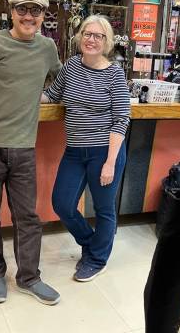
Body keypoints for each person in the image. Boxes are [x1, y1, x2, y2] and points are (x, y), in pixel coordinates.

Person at [0, 0, 63, 305]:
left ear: (43, 16)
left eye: (35, 11)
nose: (28, 16)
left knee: (27, 217)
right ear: (11, 12)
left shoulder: (47, 47)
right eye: (22, 9)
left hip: (24, 147)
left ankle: (29, 277)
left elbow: (61, 79)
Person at [42, 15, 131, 282]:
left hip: (105, 151)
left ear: (107, 42)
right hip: (74, 150)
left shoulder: (114, 73)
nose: (91, 40)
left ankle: (97, 259)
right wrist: (23, 95)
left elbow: (121, 119)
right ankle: (90, 242)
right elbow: (52, 94)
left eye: (98, 36)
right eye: (87, 34)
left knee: (103, 208)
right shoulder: (71, 66)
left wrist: (110, 162)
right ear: (80, 36)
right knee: (62, 204)